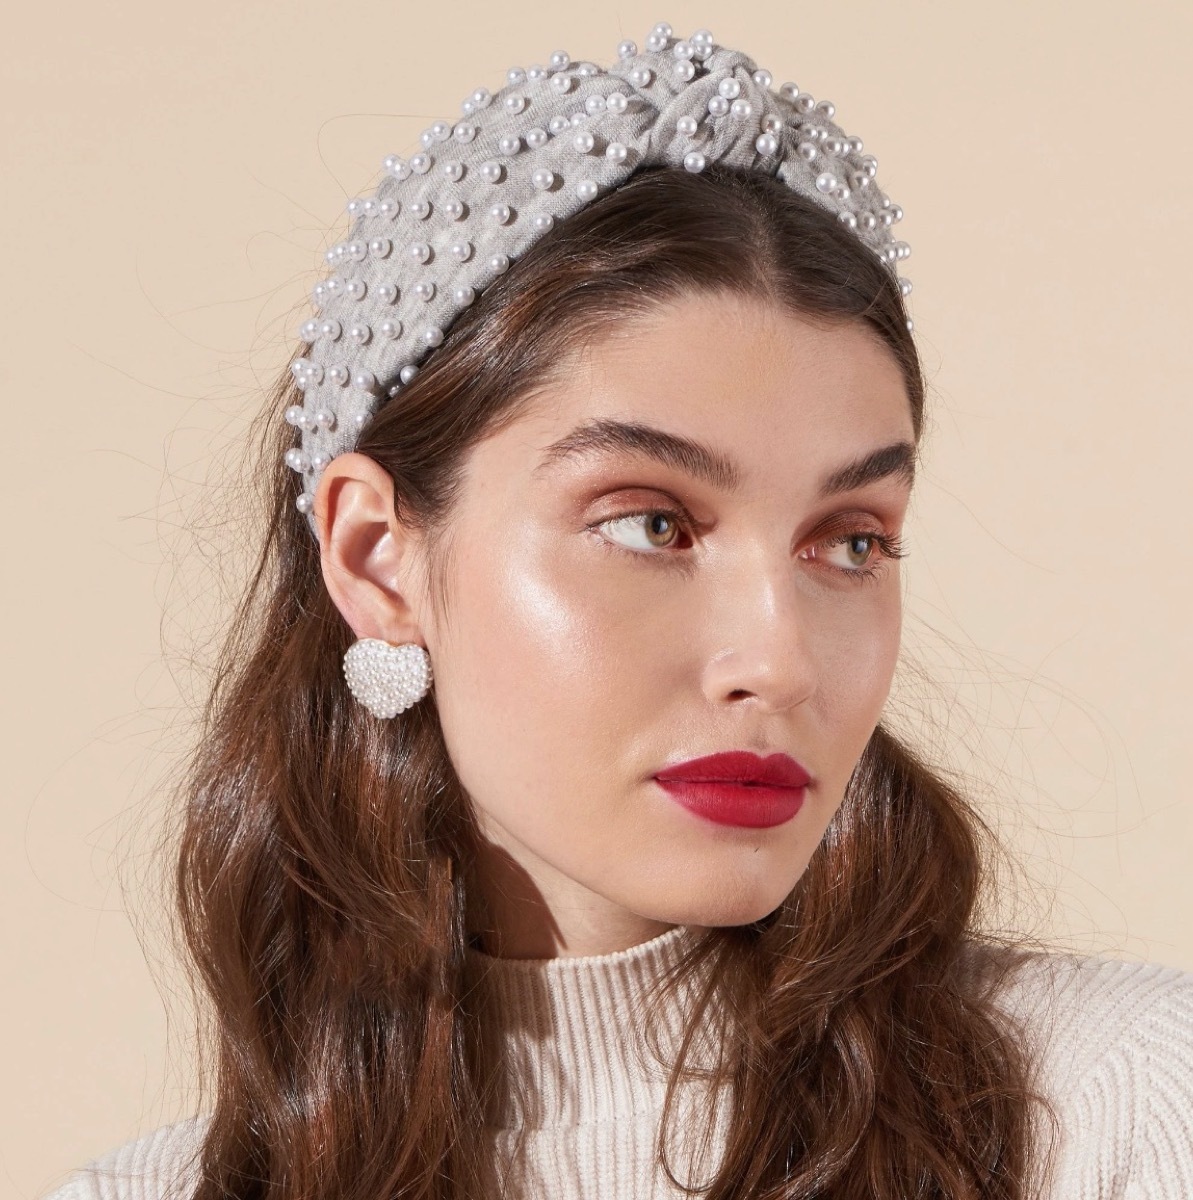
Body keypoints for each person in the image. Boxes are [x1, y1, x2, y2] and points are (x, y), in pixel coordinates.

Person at [45, 19, 1193, 1200]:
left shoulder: (1131, 1112)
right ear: (377, 559)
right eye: (652, 524)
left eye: (848, 540)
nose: (780, 660)